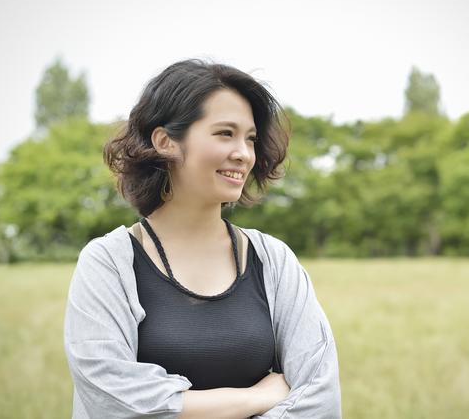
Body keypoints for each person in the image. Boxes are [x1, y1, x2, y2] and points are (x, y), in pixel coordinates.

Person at [63, 59, 341, 418]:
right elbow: (113, 400)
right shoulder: (107, 264)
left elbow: (319, 395)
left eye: (251, 139)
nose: (243, 153)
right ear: (165, 142)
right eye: (225, 133)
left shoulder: (275, 260)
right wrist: (251, 399)